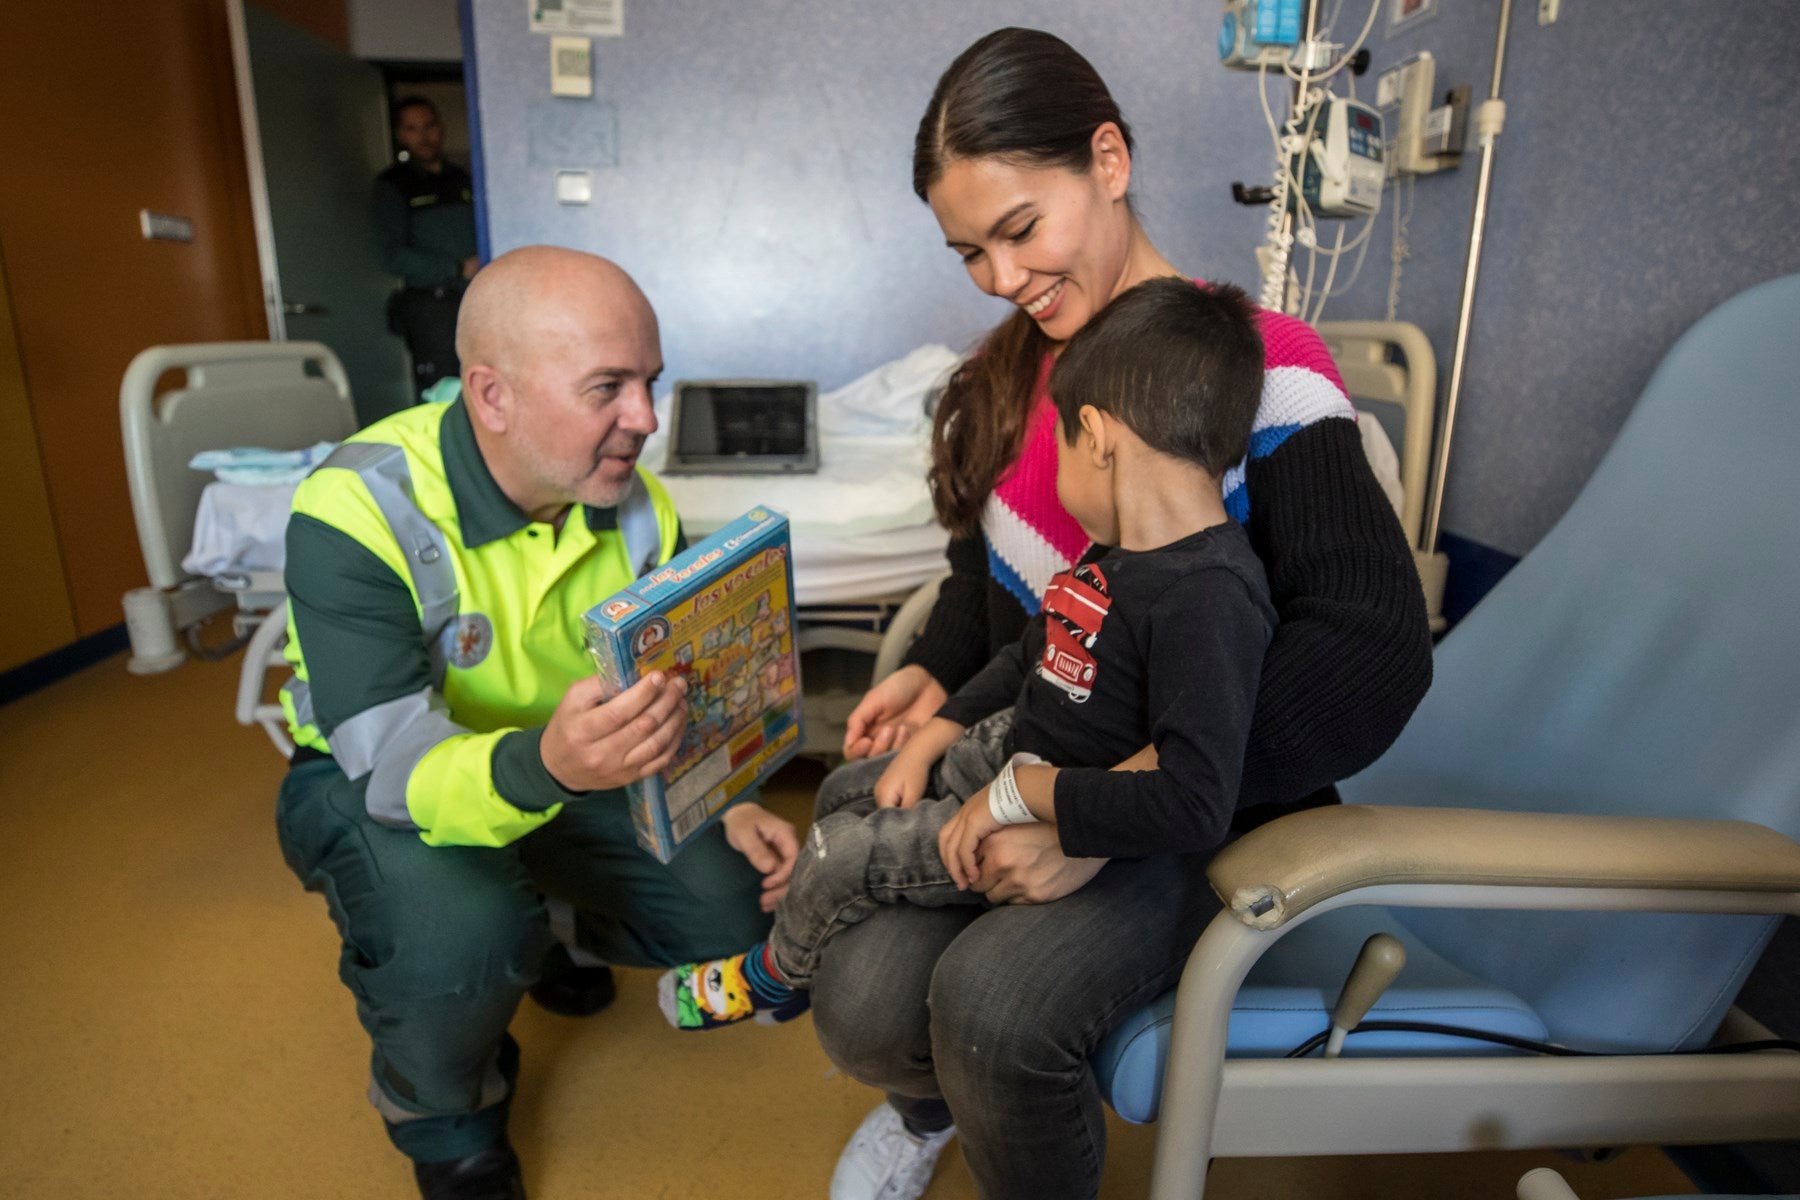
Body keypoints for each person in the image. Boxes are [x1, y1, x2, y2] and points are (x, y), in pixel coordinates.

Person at [816, 28, 1435, 1200]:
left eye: (1020, 230)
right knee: (862, 1003)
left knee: (994, 1010)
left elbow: (1371, 653)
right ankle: (924, 1110)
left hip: (1201, 797)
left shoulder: (1263, 370)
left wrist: (1097, 814)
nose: (1002, 278)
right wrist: (934, 678)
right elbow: (992, 586)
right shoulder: (1008, 378)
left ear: (1109, 160)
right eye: (970, 252)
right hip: (1033, 750)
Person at [274, 246, 800, 1200]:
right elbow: (391, 768)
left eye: (650, 382)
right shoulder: (356, 508)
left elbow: (679, 693)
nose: (646, 419)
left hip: (571, 768)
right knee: (460, 938)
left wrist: (730, 798)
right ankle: (443, 1119)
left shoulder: (638, 508)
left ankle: (549, 929)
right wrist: (550, 769)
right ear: (493, 396)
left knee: (736, 907)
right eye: (608, 387)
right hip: (379, 783)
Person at [656, 278, 1274, 1036]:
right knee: (848, 787)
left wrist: (1014, 797)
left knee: (836, 854)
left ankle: (774, 976)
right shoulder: (1114, 556)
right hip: (1006, 752)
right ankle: (815, 932)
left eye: (1057, 444)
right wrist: (932, 737)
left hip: (1041, 801)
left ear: (1096, 436)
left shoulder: (1209, 597)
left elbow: (1194, 799)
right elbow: (1026, 657)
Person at [374, 96, 480, 392]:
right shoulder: (392, 185)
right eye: (412, 129)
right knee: (443, 391)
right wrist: (457, 268)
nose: (423, 136)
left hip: (474, 299)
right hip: (431, 308)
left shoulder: (462, 178)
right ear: (401, 135)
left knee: (483, 381)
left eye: (429, 126)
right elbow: (392, 255)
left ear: (441, 128)